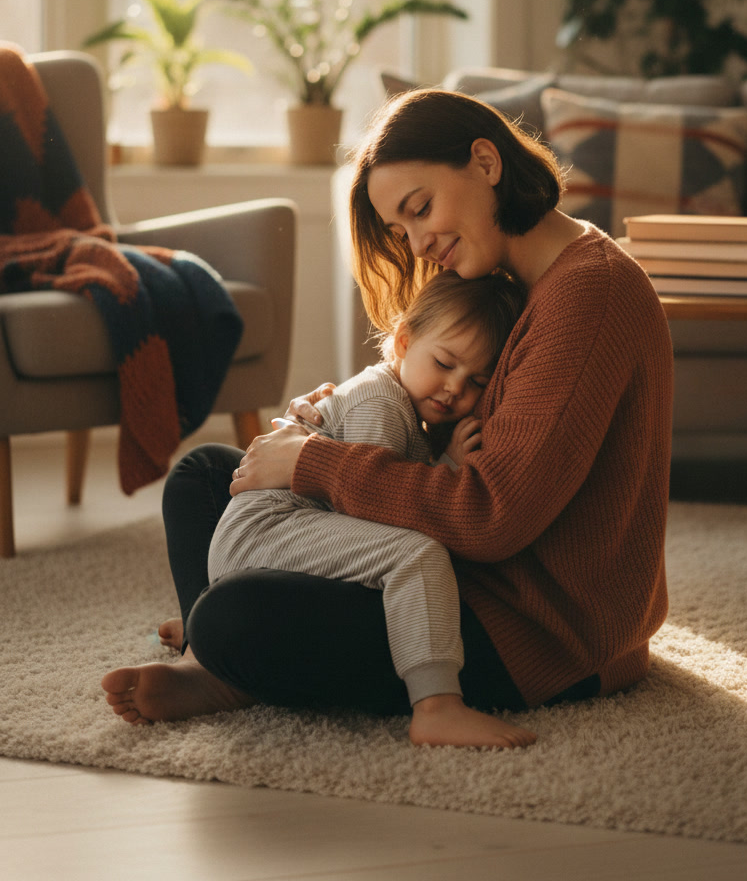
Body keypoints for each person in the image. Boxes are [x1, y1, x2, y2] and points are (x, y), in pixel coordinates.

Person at [102, 87, 674, 749]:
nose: (419, 243)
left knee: (235, 613)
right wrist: (338, 420)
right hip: (457, 573)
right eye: (402, 230)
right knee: (204, 477)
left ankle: (221, 658)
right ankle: (215, 661)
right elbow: (479, 439)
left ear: (486, 163)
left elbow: (491, 515)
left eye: (421, 207)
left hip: (531, 626)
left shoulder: (587, 294)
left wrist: (319, 462)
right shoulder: (517, 283)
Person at [205, 268, 529, 746]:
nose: (455, 389)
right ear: (402, 341)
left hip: (268, 542)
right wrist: (448, 468)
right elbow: (377, 505)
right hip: (268, 532)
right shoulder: (379, 404)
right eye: (444, 363)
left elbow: (386, 488)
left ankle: (206, 641)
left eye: (477, 380)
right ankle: (438, 706)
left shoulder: (398, 402)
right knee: (417, 556)